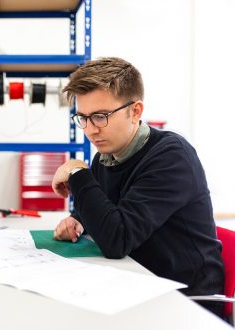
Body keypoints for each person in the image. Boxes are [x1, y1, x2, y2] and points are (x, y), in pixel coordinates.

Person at [51, 57, 225, 318]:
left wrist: (77, 171)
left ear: (135, 111)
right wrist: (78, 220)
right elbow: (111, 208)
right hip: (135, 286)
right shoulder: (107, 155)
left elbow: (116, 239)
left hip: (185, 305)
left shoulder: (171, 157)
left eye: (100, 117)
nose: (89, 130)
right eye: (83, 118)